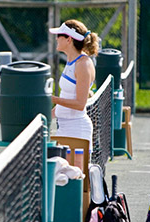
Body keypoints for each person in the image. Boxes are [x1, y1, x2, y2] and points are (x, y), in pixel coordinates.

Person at [49, 19, 99, 151]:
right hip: (63, 129)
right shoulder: (70, 61)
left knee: (76, 172)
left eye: (59, 35)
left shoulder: (83, 64)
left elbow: (80, 104)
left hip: (77, 130)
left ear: (68, 39)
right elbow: (67, 96)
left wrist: (53, 99)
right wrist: (46, 115)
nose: (56, 39)